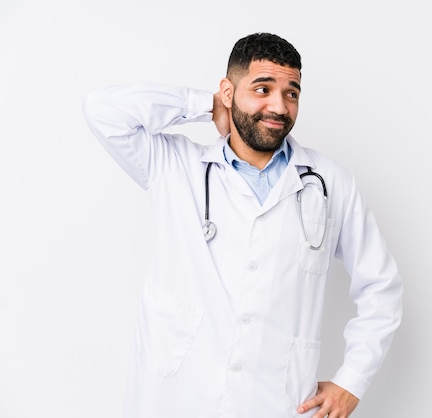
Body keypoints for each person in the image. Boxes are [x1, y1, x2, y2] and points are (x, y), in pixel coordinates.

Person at [83, 32, 402, 418]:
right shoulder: (173, 166)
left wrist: (352, 381)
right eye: (263, 89)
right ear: (229, 91)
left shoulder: (328, 183)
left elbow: (381, 288)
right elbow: (102, 109)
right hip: (177, 396)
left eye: (291, 93)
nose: (279, 106)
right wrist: (205, 105)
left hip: (275, 400)